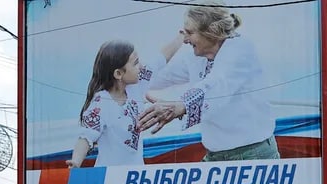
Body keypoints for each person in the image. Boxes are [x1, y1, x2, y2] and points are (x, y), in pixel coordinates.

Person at [136, 2, 279, 161]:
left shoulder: (240, 48)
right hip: (215, 156)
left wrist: (179, 107)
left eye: (189, 33)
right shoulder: (196, 57)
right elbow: (158, 77)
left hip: (252, 155)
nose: (186, 40)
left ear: (211, 32)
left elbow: (216, 84)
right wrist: (124, 74)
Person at [68, 36, 180, 168]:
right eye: (136, 63)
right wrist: (76, 162)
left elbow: (160, 59)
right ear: (118, 74)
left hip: (135, 176)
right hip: (109, 178)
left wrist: (181, 36)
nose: (141, 66)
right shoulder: (100, 103)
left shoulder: (137, 87)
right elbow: (86, 137)